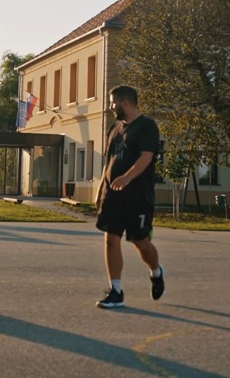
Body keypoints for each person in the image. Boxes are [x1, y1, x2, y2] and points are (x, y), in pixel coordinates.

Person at [93, 85, 164, 309]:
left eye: (113, 103)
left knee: (140, 242)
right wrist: (100, 190)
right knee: (110, 238)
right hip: (112, 195)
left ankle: (156, 272)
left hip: (138, 196)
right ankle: (116, 290)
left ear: (125, 102)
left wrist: (127, 178)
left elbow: (146, 157)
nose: (110, 107)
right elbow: (109, 162)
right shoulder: (114, 128)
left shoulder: (146, 126)